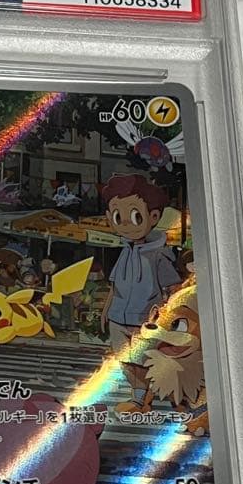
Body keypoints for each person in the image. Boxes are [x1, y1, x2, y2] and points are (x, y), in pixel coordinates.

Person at [99, 174, 180, 413]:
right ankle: (139, 397)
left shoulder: (159, 254)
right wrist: (106, 310)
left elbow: (172, 289)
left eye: (135, 216)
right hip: (117, 317)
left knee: (144, 360)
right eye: (117, 217)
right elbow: (115, 284)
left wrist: (167, 317)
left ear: (153, 217)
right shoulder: (125, 250)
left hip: (145, 320)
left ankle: (149, 398)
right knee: (124, 360)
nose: (125, 224)